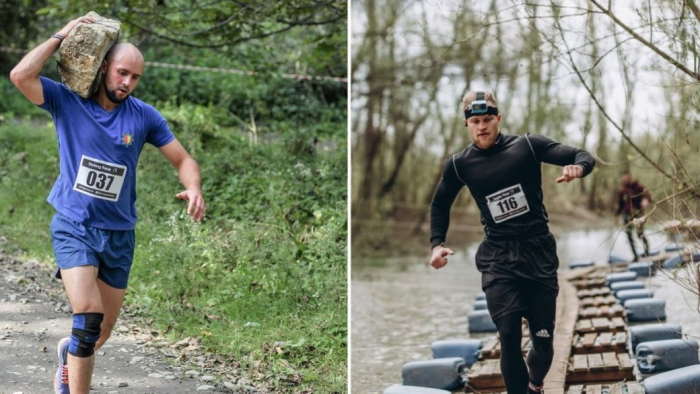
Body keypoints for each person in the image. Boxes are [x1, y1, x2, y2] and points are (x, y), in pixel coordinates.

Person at [9, 15, 205, 394]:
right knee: (88, 316)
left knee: (99, 333)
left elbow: (184, 160)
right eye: (121, 73)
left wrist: (193, 187)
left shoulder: (143, 116)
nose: (127, 83)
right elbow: (21, 75)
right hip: (74, 225)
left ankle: (69, 355)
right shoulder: (67, 102)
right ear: (103, 67)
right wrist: (61, 35)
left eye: (135, 77)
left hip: (119, 234)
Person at [429, 90, 595, 394]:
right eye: (475, 121)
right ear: (466, 124)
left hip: (538, 251)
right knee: (507, 333)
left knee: (543, 340)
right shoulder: (459, 164)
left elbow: (581, 155)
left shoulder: (528, 146)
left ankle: (535, 385)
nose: (482, 126)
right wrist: (437, 243)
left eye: (488, 119)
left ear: (498, 119)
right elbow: (440, 204)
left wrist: (578, 167)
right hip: (498, 256)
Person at [614, 170, 651, 261]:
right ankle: (635, 256)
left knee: (640, 234)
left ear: (630, 177)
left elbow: (648, 196)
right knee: (629, 236)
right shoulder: (622, 190)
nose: (625, 180)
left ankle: (647, 252)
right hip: (626, 216)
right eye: (624, 179)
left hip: (638, 214)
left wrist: (646, 200)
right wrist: (616, 215)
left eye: (627, 178)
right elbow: (620, 204)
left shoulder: (639, 187)